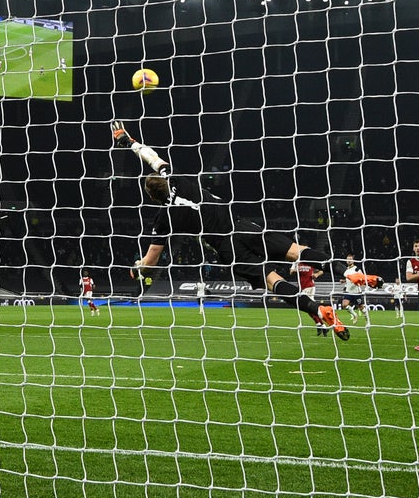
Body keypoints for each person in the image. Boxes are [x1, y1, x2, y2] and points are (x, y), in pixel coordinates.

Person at [112, 121, 350, 341]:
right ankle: (347, 271)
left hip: (228, 248)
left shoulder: (163, 219)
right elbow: (151, 157)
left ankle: (318, 309)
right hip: (242, 226)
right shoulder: (173, 178)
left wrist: (137, 269)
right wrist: (128, 141)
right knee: (296, 250)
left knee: (271, 280)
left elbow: (151, 261)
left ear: (152, 197)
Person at [340, 254, 382, 326]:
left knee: (361, 308)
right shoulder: (346, 270)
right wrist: (344, 281)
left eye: (350, 259)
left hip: (356, 292)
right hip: (348, 291)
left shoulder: (357, 269)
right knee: (344, 305)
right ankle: (354, 315)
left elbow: (362, 278)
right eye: (347, 259)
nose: (349, 261)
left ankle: (367, 320)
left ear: (353, 261)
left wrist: (356, 281)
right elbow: (348, 279)